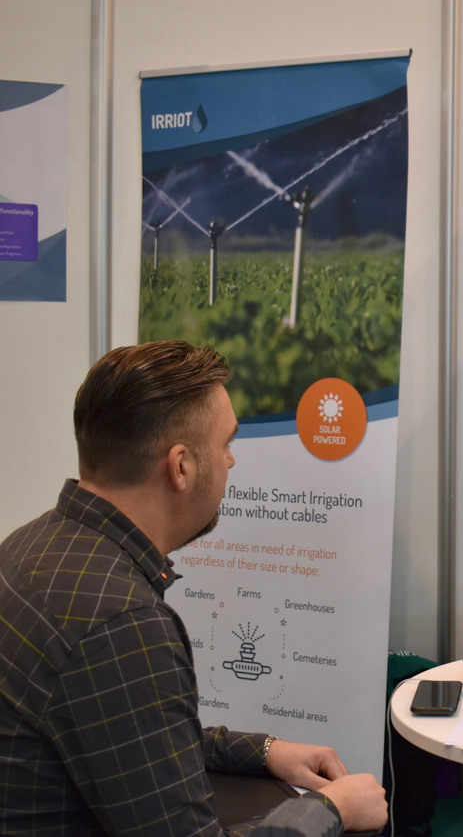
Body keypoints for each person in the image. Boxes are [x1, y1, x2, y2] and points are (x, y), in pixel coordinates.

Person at [0, 341, 388, 836]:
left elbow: (130, 736)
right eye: (226, 443)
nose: (231, 461)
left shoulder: (31, 545)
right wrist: (333, 808)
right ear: (180, 466)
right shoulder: (122, 624)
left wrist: (263, 751)